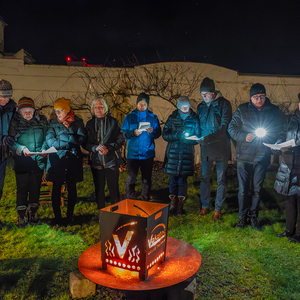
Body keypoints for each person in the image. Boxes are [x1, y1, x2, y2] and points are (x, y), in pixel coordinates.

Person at [228, 83, 283, 229]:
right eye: (256, 97)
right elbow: (231, 128)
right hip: (244, 156)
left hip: (262, 156)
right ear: (251, 98)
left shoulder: (273, 111)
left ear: (265, 96)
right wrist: (244, 136)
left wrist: (272, 139)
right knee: (243, 189)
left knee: (257, 189)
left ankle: (253, 217)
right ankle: (242, 217)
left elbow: (279, 130)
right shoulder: (242, 109)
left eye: (262, 96)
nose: (259, 99)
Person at [46, 97, 86, 225]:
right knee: (56, 187)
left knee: (72, 187)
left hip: (73, 159)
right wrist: (69, 138)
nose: (58, 113)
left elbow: (81, 139)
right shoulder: (53, 123)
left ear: (67, 110)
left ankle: (70, 216)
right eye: (56, 111)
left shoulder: (77, 122)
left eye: (60, 110)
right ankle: (57, 217)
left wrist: (65, 137)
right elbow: (50, 140)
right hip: (57, 159)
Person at [8, 97, 48, 227]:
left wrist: (45, 148)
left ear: (33, 110)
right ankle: (21, 215)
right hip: (22, 162)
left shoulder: (41, 121)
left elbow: (47, 137)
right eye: (24, 111)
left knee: (36, 187)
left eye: (29, 110)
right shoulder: (14, 122)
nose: (27, 113)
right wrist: (21, 148)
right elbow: (11, 142)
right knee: (22, 189)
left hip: (38, 161)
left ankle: (34, 213)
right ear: (19, 112)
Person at [197, 77, 232, 220]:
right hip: (205, 147)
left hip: (221, 147)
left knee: (221, 179)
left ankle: (218, 208)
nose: (204, 97)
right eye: (202, 94)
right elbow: (198, 125)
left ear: (213, 93)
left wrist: (208, 138)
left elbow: (224, 127)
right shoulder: (201, 107)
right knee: (204, 177)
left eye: (206, 94)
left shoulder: (224, 104)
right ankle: (205, 205)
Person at [84, 97, 125, 210]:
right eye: (96, 107)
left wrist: (109, 148)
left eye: (101, 106)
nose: (98, 109)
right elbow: (85, 143)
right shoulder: (89, 124)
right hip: (96, 162)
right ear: (92, 109)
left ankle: (115, 212)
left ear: (105, 108)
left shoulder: (114, 122)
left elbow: (120, 139)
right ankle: (102, 213)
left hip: (111, 161)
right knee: (99, 189)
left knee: (113, 189)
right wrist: (95, 148)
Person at [162, 96, 200, 214]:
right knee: (173, 179)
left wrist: (189, 140)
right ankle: (173, 203)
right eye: (183, 107)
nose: (186, 108)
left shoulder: (194, 118)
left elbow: (198, 136)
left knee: (183, 180)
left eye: (187, 106)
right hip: (173, 153)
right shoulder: (172, 118)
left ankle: (180, 205)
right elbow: (165, 135)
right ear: (179, 107)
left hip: (186, 153)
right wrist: (177, 136)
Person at [122, 93, 161, 201]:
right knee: (131, 178)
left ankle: (145, 200)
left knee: (146, 179)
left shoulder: (153, 117)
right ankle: (129, 199)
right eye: (140, 104)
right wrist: (133, 133)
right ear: (137, 104)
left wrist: (153, 131)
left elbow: (158, 133)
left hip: (147, 153)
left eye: (144, 104)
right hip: (133, 153)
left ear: (147, 105)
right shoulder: (129, 117)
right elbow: (124, 133)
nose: (142, 106)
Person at [274, 95, 300, 243]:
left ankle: (298, 233)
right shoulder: (290, 119)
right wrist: (279, 143)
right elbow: (281, 134)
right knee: (290, 198)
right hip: (289, 163)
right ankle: (289, 230)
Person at [0, 79, 16, 228]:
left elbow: (12, 126)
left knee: (0, 188)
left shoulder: (11, 108)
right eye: (2, 96)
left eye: (8, 95)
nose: (5, 99)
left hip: (3, 154)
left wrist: (10, 138)